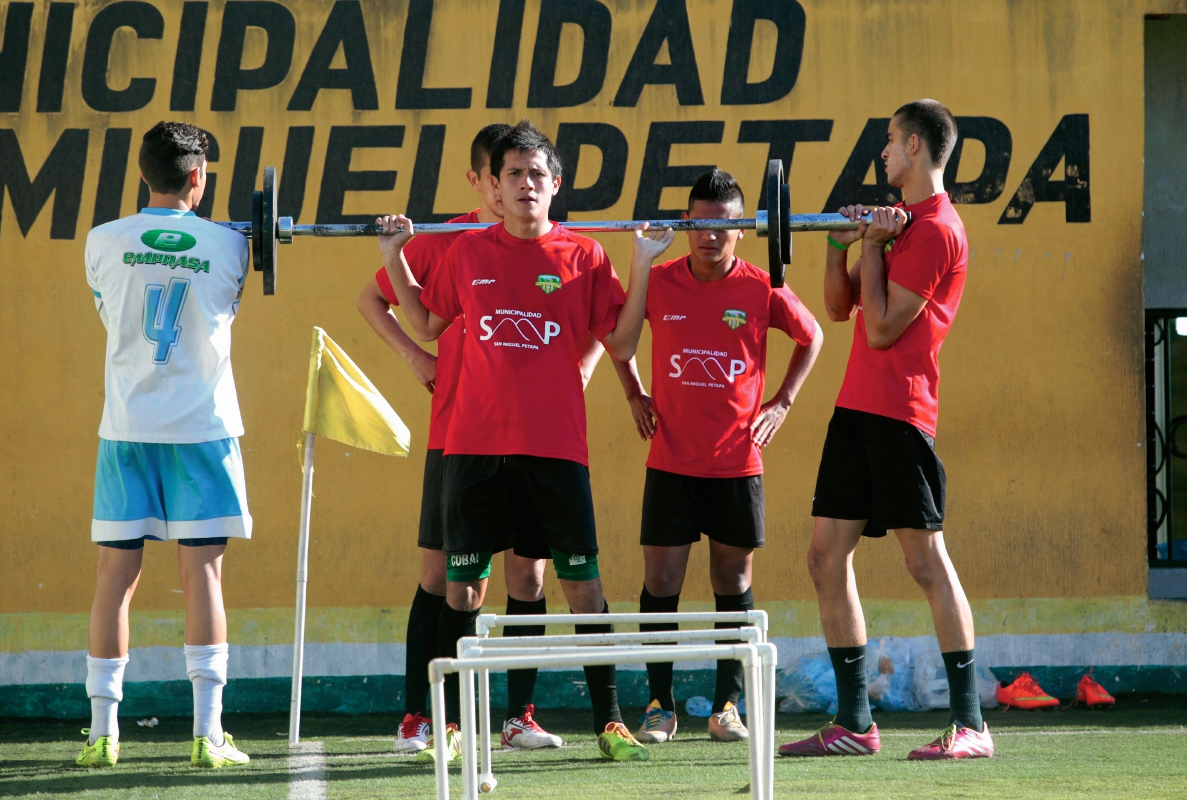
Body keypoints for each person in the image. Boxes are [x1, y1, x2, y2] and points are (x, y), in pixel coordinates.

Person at [378, 119, 671, 763]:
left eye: (538, 174)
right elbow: (425, 324)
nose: (526, 184)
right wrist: (395, 256)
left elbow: (621, 342)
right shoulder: (467, 252)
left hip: (556, 451)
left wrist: (643, 263)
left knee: (582, 589)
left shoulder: (585, 255)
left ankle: (611, 723)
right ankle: (448, 727)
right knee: (462, 593)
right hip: (474, 451)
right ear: (496, 186)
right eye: (514, 174)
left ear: (555, 185)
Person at [358, 124, 588, 756]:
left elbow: (595, 318)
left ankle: (519, 716)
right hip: (458, 434)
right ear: (481, 180)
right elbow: (376, 301)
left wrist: (586, 368)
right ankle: (420, 716)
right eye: (501, 175)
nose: (512, 185)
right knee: (443, 576)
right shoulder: (447, 242)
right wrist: (414, 359)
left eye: (524, 174)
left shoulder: (558, 246)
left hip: (529, 439)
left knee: (529, 577)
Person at [778, 99, 993, 760]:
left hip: (901, 413)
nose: (883, 154)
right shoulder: (899, 225)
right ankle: (855, 722)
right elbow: (841, 310)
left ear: (920, 149)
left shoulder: (935, 231)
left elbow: (882, 326)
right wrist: (839, 249)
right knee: (824, 557)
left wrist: (875, 245)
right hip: (855, 409)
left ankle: (971, 725)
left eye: (892, 143)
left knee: (925, 563)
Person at [610, 170, 823, 744]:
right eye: (700, 224)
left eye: (723, 225)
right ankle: (660, 704)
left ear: (743, 229)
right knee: (661, 580)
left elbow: (813, 338)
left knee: (733, 580)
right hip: (672, 462)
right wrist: (634, 392)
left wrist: (782, 401)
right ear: (685, 226)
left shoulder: (762, 286)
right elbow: (618, 339)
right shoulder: (658, 282)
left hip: (736, 463)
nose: (710, 236)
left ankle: (726, 708)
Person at [78, 122, 251, 769]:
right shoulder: (229, 247)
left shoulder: (101, 241)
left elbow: (108, 309)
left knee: (114, 579)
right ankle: (208, 736)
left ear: (144, 173)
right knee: (202, 573)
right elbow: (225, 306)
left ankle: (102, 736)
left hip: (125, 432)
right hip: (201, 432)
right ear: (198, 178)